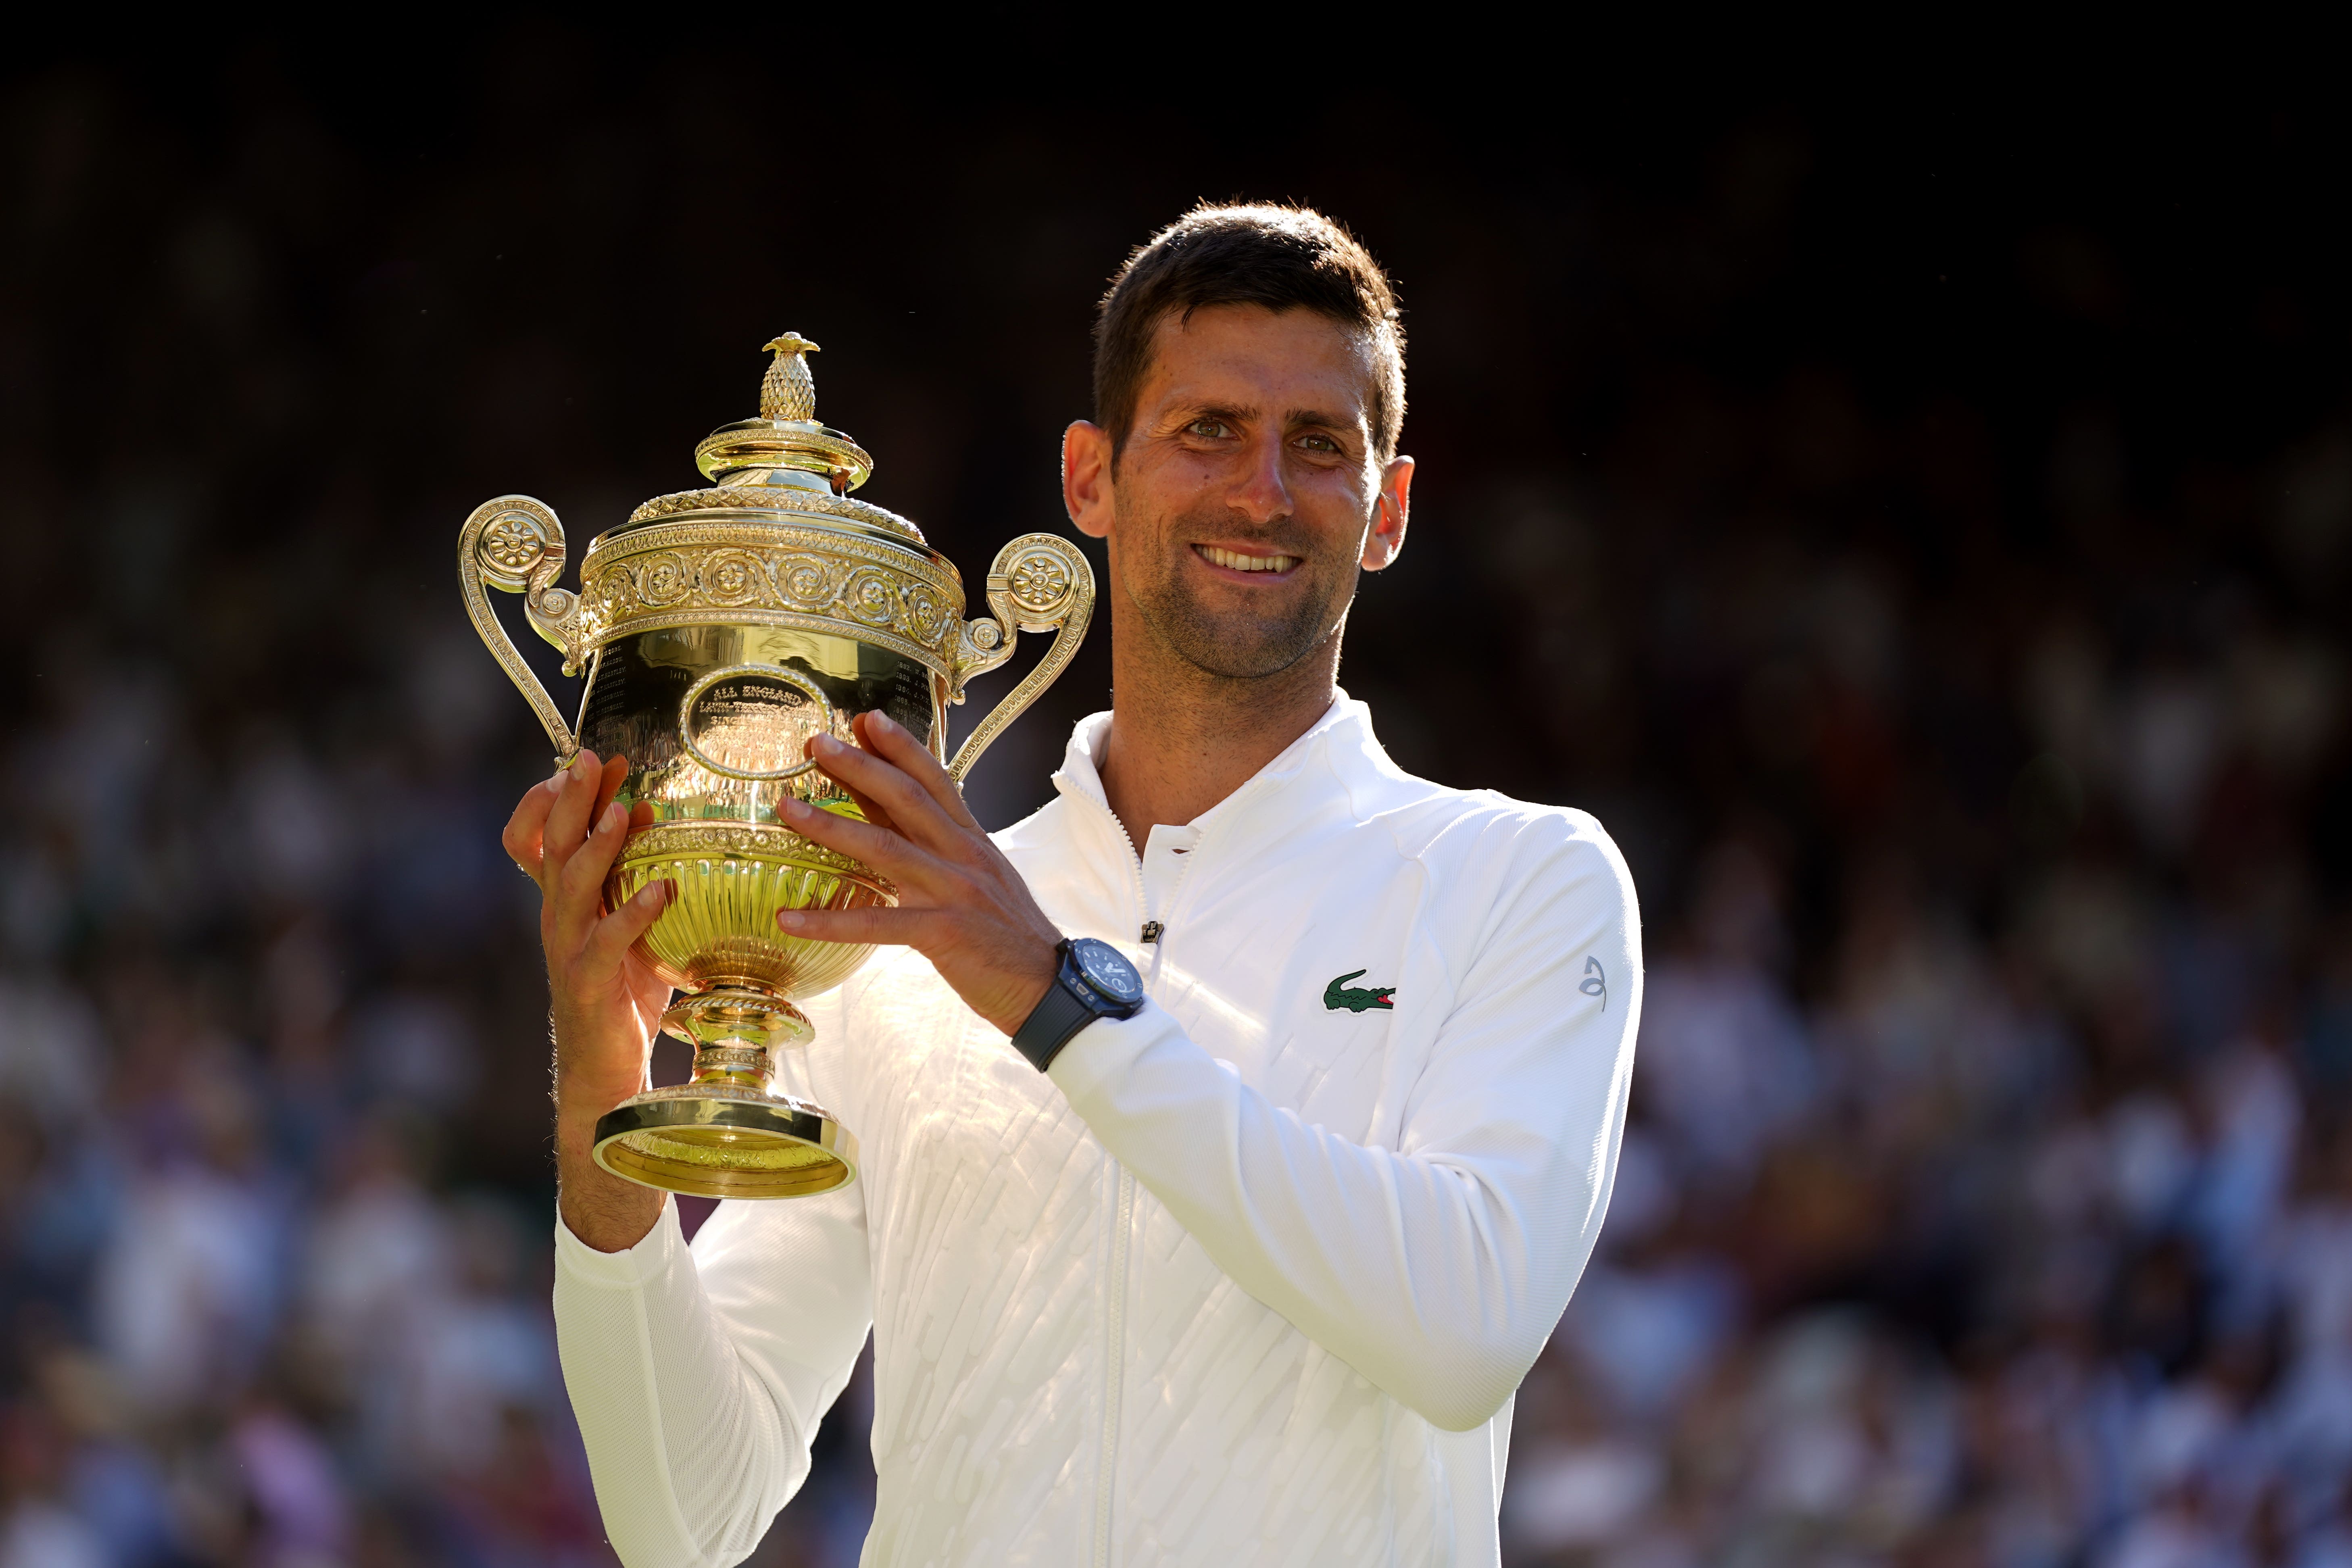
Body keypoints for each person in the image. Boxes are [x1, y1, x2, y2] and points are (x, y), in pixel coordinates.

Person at [506, 204, 1643, 1567]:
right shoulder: (901, 927)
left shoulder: (1522, 881)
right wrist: (597, 1104)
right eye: (1208, 429)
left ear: (1388, 510)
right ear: (1091, 480)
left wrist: (1053, 1000)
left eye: (1321, 446)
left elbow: (1462, 1336)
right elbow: (681, 1514)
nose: (1262, 492)